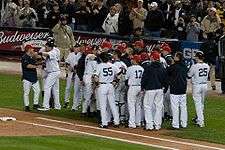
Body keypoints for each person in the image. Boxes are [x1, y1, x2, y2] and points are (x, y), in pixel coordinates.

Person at [141, 51, 167, 131]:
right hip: (159, 89)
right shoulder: (162, 67)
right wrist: (164, 87)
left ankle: (149, 125)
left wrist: (143, 87)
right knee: (158, 107)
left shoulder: (148, 67)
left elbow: (144, 79)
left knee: (147, 106)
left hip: (150, 89)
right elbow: (165, 80)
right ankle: (157, 125)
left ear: (152, 58)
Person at [93, 52, 120, 128]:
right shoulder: (113, 65)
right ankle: (116, 122)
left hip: (102, 86)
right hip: (111, 86)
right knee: (113, 105)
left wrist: (97, 84)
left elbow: (95, 76)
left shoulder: (99, 66)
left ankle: (104, 123)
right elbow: (119, 74)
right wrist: (115, 81)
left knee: (103, 105)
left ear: (101, 59)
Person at [38, 37, 61, 111]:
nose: (45, 47)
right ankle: (57, 106)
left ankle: (46, 106)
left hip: (53, 72)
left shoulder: (54, 51)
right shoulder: (50, 50)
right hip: (52, 71)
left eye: (47, 46)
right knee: (55, 89)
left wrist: (40, 53)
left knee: (47, 87)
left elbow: (47, 54)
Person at [188, 52, 210, 127]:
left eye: (195, 57)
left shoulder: (194, 66)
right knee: (201, 103)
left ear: (197, 57)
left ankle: (201, 122)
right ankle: (198, 119)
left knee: (198, 104)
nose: (195, 58)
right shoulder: (207, 66)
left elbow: (188, 75)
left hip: (197, 86)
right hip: (205, 86)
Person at [167, 52, 188, 129]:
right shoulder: (185, 66)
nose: (173, 57)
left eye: (175, 56)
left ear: (178, 58)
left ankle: (175, 124)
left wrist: (172, 64)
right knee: (183, 107)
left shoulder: (174, 66)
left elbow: (167, 72)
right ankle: (184, 124)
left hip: (175, 89)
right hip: (183, 89)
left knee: (175, 107)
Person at [126, 54, 144, 128]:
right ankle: (138, 122)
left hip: (133, 88)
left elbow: (126, 78)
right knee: (138, 105)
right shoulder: (142, 68)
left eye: (132, 59)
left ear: (135, 60)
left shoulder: (130, 68)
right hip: (140, 87)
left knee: (131, 105)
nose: (131, 60)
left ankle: (131, 123)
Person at [21, 45, 41, 112]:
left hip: (34, 77)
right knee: (26, 93)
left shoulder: (32, 57)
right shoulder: (24, 57)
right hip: (27, 78)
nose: (33, 50)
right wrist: (36, 66)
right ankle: (27, 106)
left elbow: (38, 60)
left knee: (37, 91)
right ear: (29, 49)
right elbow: (27, 66)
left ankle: (35, 104)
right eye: (32, 49)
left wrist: (40, 62)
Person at [63, 44, 82, 109]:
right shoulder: (70, 54)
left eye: (77, 47)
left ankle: (78, 103)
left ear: (79, 48)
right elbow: (67, 62)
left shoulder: (81, 55)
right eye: (75, 47)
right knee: (68, 88)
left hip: (78, 74)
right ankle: (66, 102)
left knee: (78, 89)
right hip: (71, 73)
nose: (76, 48)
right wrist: (69, 67)